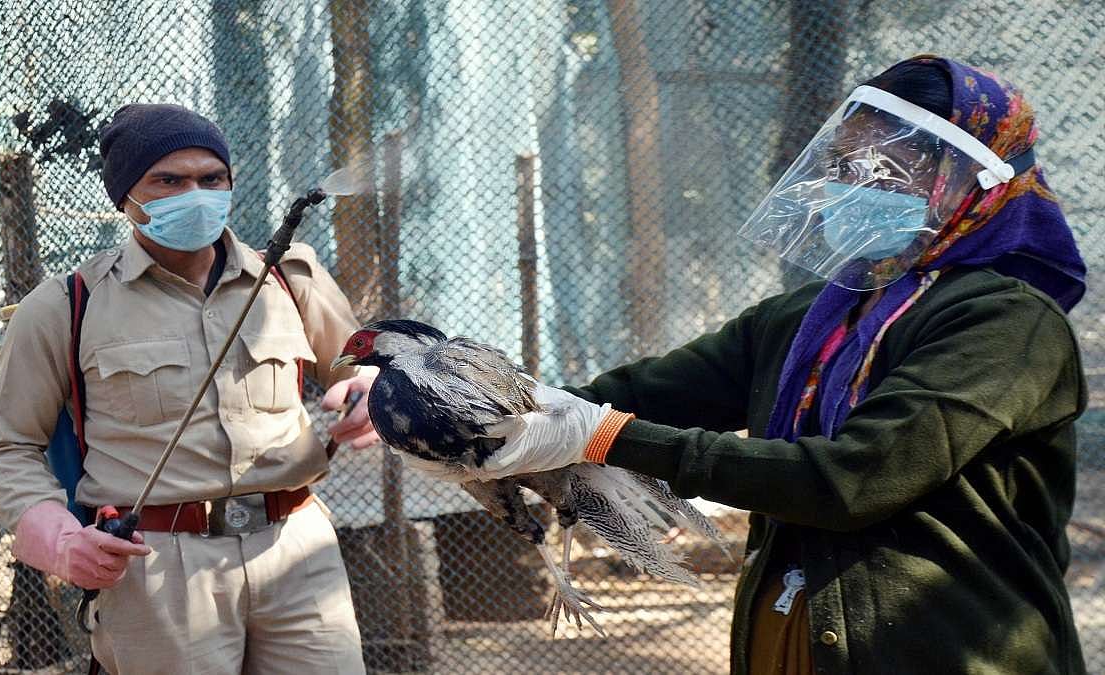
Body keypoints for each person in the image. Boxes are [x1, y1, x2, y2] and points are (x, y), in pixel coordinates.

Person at [429, 56, 1089, 673]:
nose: (847, 189)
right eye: (841, 166)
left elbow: (853, 479)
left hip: (949, 649)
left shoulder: (1009, 324)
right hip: (793, 636)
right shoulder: (812, 315)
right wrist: (460, 405)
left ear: (966, 182)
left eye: (880, 173)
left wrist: (602, 434)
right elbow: (643, 392)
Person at [0, 104, 380, 674]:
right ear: (127, 197)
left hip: (298, 549)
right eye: (169, 180)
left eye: (211, 179)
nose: (195, 194)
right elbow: (7, 445)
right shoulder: (65, 305)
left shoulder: (291, 278)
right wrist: (62, 541)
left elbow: (363, 368)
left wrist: (371, 397)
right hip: (157, 565)